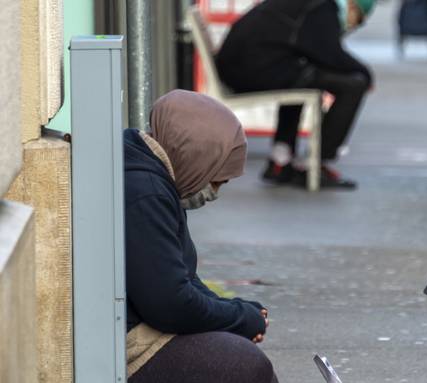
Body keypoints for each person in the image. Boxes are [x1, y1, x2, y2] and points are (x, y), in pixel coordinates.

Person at [124, 90, 277, 383]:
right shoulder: (147, 193)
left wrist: (240, 314)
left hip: (140, 325)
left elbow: (183, 279)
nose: (214, 193)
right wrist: (239, 318)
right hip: (128, 343)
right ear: (197, 157)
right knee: (244, 365)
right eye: (217, 179)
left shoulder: (155, 177)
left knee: (240, 357)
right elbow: (171, 305)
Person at [215, 0, 376, 189]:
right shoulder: (323, 7)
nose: (352, 26)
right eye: (358, 20)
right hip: (252, 71)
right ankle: (314, 164)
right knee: (353, 86)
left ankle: (280, 159)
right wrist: (365, 74)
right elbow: (329, 53)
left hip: (243, 67)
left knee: (303, 76)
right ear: (352, 6)